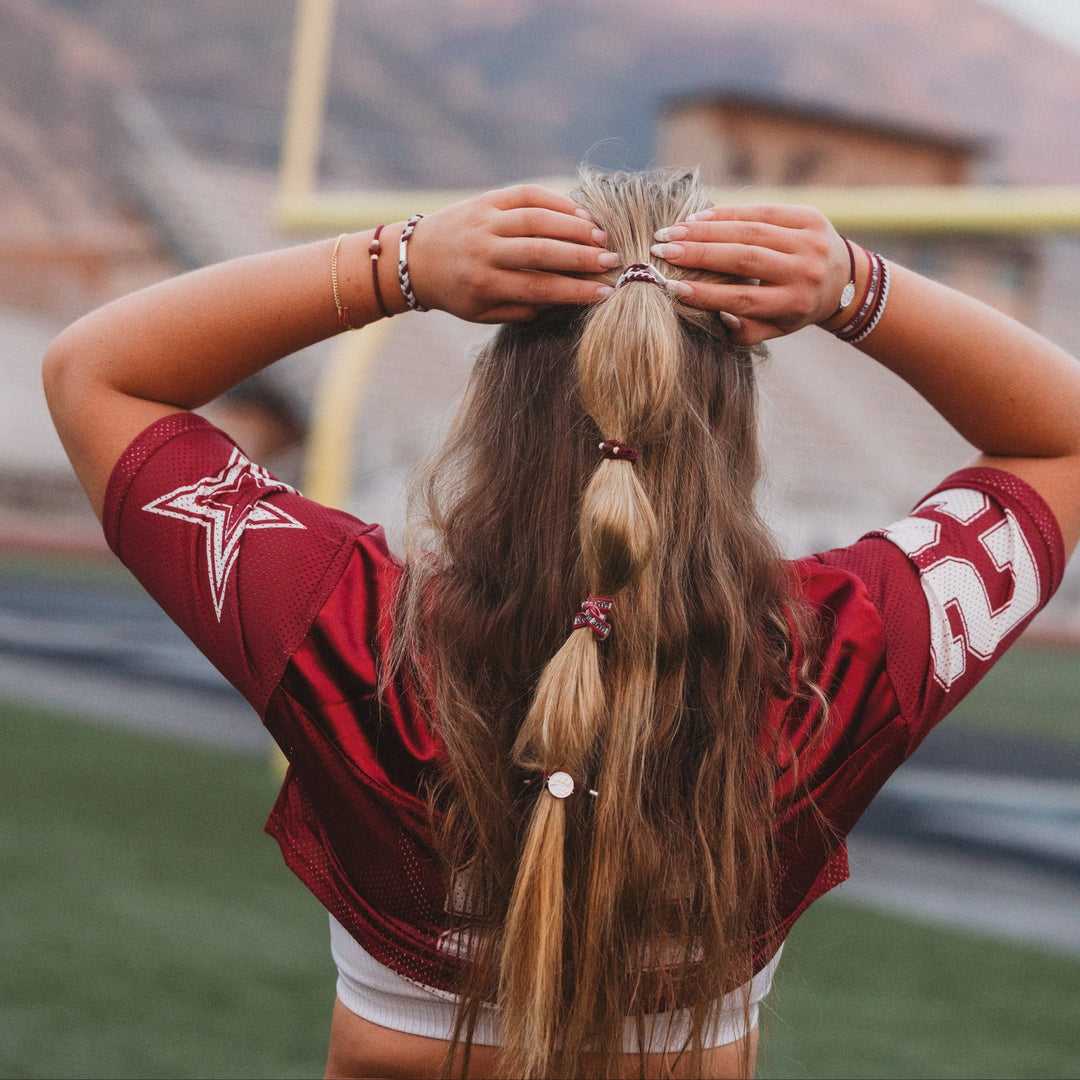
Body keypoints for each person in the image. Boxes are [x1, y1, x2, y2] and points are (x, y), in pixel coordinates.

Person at [43, 170, 1080, 1080]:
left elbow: (98, 372)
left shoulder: (355, 634)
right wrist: (860, 286)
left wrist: (395, 263)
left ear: (497, 398)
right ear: (731, 423)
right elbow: (1060, 443)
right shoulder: (832, 660)